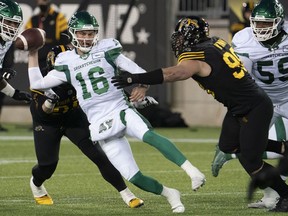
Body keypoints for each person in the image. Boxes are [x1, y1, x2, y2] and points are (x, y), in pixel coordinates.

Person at [27, 11, 206, 213]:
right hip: (98, 122)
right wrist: (32, 54)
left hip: (119, 107)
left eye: (90, 33)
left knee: (149, 136)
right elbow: (36, 83)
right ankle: (170, 193)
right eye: (82, 34)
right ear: (72, 34)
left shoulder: (107, 50)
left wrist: (143, 85)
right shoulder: (65, 61)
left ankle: (193, 172)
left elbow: (136, 69)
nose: (86, 38)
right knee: (134, 176)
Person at [111, 15, 288, 212]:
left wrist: (133, 78)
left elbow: (175, 73)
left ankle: (286, 195)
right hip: (242, 105)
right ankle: (283, 148)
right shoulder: (214, 43)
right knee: (228, 145)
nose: (177, 41)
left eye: (181, 36)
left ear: (192, 36)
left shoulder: (197, 55)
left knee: (250, 159)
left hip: (254, 107)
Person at [28, 45, 144, 208]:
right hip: (48, 123)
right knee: (48, 166)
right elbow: (42, 112)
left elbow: (107, 91)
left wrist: (134, 99)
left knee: (99, 155)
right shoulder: (43, 82)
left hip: (74, 118)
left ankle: (127, 194)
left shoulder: (81, 74)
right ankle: (36, 183)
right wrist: (51, 99)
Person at [211, 0, 288, 210]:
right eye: (258, 23)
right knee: (246, 149)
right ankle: (273, 194)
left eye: (267, 24)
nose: (261, 28)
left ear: (279, 22)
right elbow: (241, 76)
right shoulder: (244, 38)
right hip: (261, 99)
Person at [25, 0, 70, 73]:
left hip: (55, 60)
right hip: (37, 61)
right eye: (40, 0)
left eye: (44, 0)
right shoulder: (33, 19)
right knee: (36, 83)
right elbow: (27, 39)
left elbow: (65, 40)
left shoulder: (59, 17)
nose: (42, 2)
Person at [0, 0, 31, 104]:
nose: (12, 27)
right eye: (9, 22)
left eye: (16, 24)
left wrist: (14, 93)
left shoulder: (6, 41)